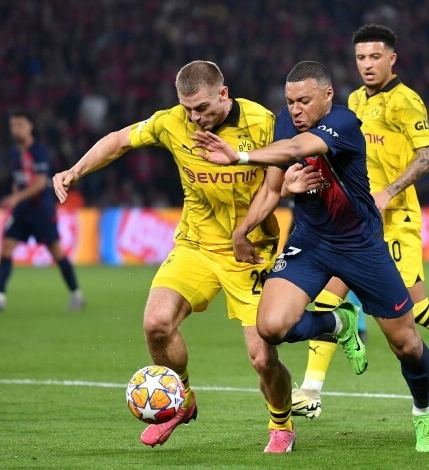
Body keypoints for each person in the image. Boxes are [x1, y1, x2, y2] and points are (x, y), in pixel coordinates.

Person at [194, 60, 429, 452]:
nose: (295, 110)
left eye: (304, 101)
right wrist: (243, 228)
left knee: (407, 344)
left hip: (360, 245)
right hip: (310, 243)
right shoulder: (284, 122)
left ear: (327, 96)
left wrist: (240, 157)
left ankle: (423, 413)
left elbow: (295, 150)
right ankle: (338, 321)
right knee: (271, 327)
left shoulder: (344, 122)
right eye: (290, 101)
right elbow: (275, 187)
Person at [52, 61, 295, 453]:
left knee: (262, 358)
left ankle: (281, 425)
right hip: (195, 245)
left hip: (249, 252)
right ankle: (181, 398)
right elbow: (118, 140)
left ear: (223, 93)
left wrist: (243, 231)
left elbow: (275, 185)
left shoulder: (261, 123)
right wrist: (74, 171)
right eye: (187, 109)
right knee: (156, 323)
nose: (195, 118)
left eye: (201, 108)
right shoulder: (172, 122)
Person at [290, 24, 429, 418]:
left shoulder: (406, 101)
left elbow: (427, 157)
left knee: (415, 310)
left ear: (392, 59)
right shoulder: (352, 100)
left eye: (375, 57)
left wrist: (388, 192)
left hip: (396, 218)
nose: (367, 65)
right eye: (360, 57)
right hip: (354, 221)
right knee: (326, 296)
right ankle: (310, 390)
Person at [0, 110, 84, 312]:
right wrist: (15, 192)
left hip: (41, 208)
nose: (16, 129)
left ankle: (77, 294)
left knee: (56, 251)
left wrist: (15, 197)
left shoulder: (39, 150)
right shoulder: (14, 153)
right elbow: (20, 180)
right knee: (7, 246)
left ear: (30, 127)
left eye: (20, 125)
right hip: (23, 209)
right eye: (13, 125)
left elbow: (40, 183)